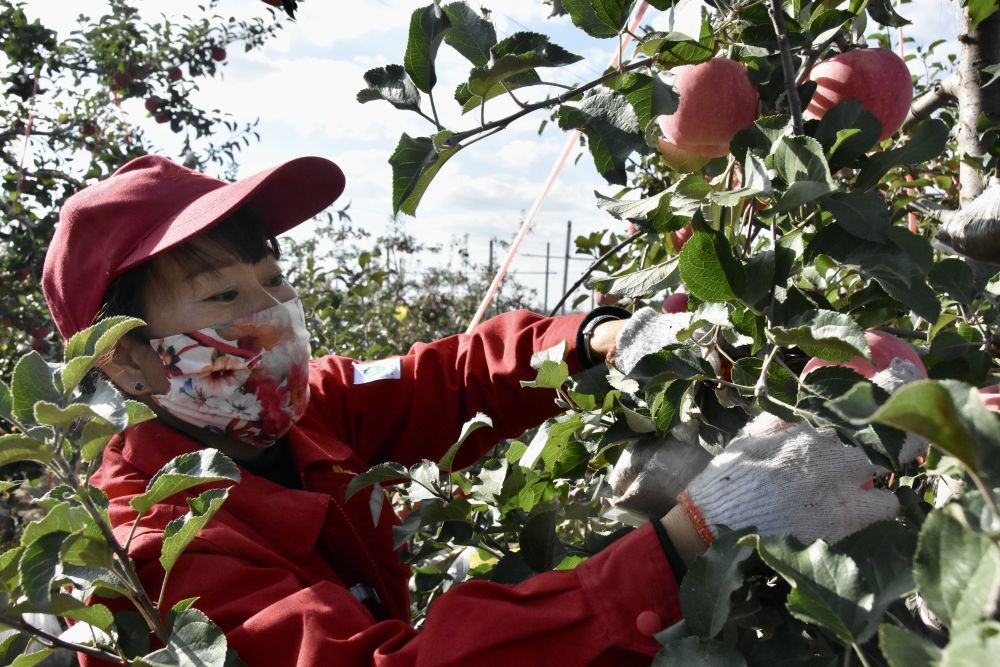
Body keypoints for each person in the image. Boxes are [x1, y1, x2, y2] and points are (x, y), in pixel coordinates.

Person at [41, 155, 908, 666]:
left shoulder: (311, 411)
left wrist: (598, 337)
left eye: (273, 281)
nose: (269, 317)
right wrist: (685, 543)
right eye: (222, 295)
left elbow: (450, 376)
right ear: (126, 358)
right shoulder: (158, 549)